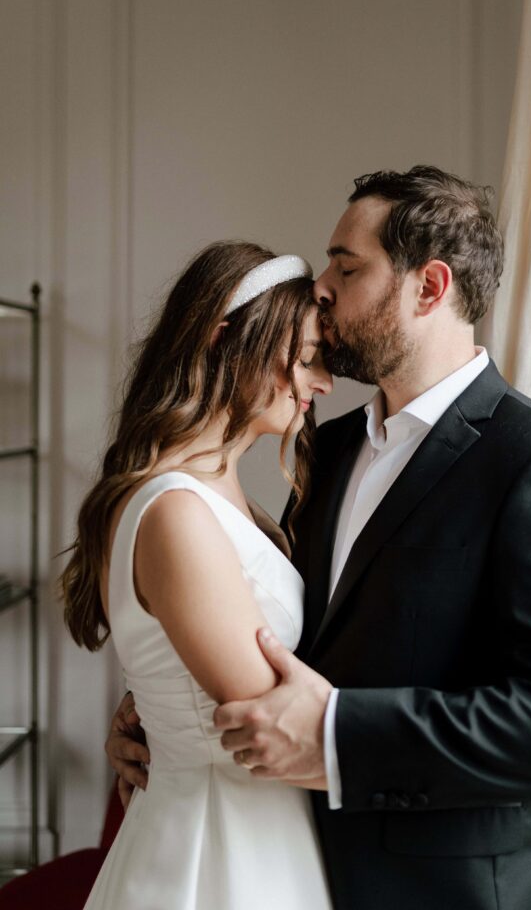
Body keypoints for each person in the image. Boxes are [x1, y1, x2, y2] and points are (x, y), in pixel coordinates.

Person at [108, 166, 531, 910]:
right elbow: (295, 638)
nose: (319, 286)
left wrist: (337, 735)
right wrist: (161, 713)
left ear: (427, 287)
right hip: (303, 871)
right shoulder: (330, 454)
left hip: (463, 893)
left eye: (346, 266)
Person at [60, 241, 334, 909]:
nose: (322, 382)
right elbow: (270, 719)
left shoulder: (232, 502)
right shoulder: (175, 513)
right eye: (302, 358)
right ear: (222, 341)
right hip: (213, 854)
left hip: (270, 836)